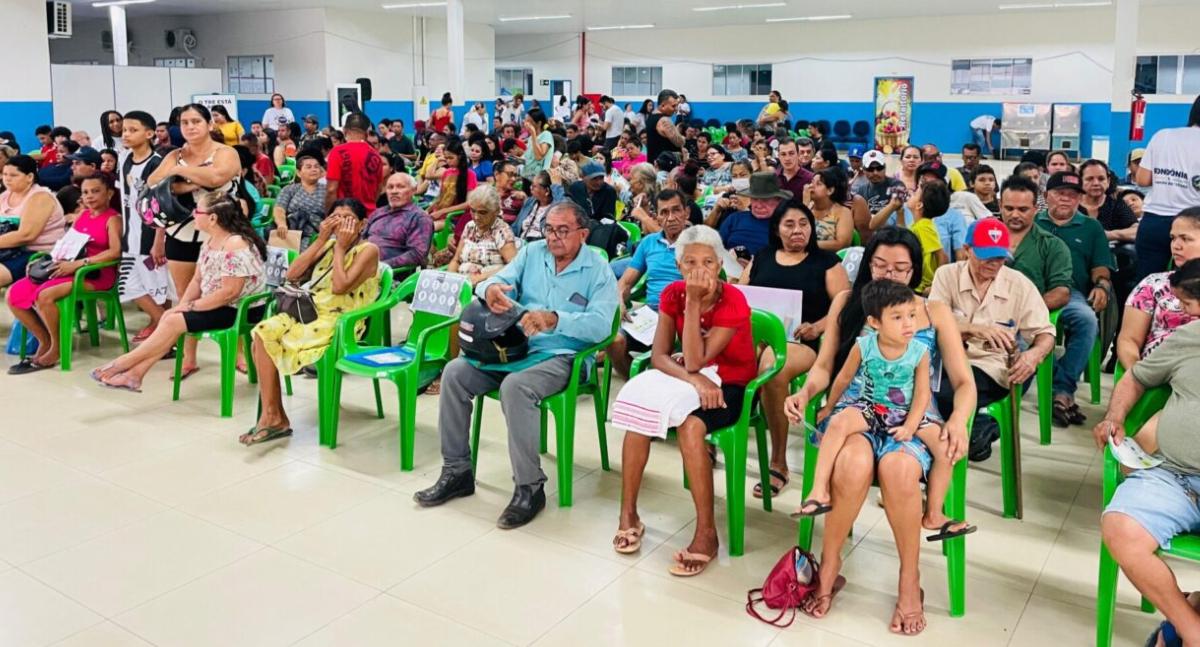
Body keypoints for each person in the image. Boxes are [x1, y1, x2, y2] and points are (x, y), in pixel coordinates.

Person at [783, 227, 977, 633]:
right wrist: (807, 393)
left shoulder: (934, 311)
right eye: (880, 265)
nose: (889, 275)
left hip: (913, 416)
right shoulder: (850, 303)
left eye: (901, 268)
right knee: (853, 462)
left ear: (916, 270)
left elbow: (963, 382)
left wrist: (958, 418)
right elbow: (825, 366)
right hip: (859, 409)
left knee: (899, 469)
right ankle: (831, 563)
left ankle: (910, 580)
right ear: (867, 262)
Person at [413, 201, 618, 529]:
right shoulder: (533, 253)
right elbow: (488, 284)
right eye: (549, 229)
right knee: (454, 373)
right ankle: (457, 471)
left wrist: (556, 320)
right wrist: (490, 288)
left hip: (562, 356)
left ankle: (529, 486)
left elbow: (602, 326)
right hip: (514, 348)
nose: (553, 238)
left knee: (516, 387)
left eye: (563, 231)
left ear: (583, 233)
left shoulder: (597, 269)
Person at [608, 223, 753, 576]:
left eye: (707, 262)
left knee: (691, 428)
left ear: (720, 265)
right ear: (678, 266)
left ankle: (707, 532)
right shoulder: (672, 294)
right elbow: (659, 356)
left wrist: (693, 309)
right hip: (692, 379)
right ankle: (628, 513)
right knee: (640, 417)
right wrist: (695, 378)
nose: (698, 270)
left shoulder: (733, 299)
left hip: (732, 382)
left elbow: (696, 358)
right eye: (689, 263)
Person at [794, 280, 973, 544]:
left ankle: (934, 512)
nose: (909, 324)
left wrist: (911, 426)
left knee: (947, 448)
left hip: (908, 412)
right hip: (871, 406)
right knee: (838, 424)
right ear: (875, 322)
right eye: (898, 318)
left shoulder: (920, 351)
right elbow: (843, 379)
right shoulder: (864, 345)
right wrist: (830, 407)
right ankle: (819, 490)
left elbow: (923, 394)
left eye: (912, 315)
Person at [1095, 295, 1200, 647]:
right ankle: (1191, 629)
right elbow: (1135, 378)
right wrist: (1114, 417)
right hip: (1174, 475)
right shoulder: (1190, 337)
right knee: (1122, 527)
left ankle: (1184, 618)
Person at [91, 192, 267, 392]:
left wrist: (192, 306)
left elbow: (230, 292)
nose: (193, 214)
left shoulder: (235, 244)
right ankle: (134, 375)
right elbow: (197, 280)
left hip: (241, 309)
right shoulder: (210, 241)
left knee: (173, 320)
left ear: (213, 218)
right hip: (218, 304)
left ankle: (122, 364)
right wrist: (184, 304)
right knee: (169, 316)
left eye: (197, 210)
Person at [242, 198, 381, 444]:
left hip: (341, 321)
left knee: (272, 339)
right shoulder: (326, 244)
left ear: (362, 224)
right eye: (335, 218)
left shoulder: (368, 250)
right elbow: (292, 274)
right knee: (262, 332)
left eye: (347, 219)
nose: (341, 225)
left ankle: (273, 417)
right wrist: (321, 240)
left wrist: (340, 248)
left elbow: (340, 287)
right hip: (310, 311)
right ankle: (274, 416)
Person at [739, 200, 849, 497]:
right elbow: (741, 294)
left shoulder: (826, 262)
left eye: (803, 224)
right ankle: (715, 435)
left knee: (773, 368)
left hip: (801, 340)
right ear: (777, 229)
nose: (797, 230)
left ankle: (778, 462)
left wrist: (817, 326)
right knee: (725, 358)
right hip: (756, 337)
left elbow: (844, 307)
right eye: (789, 224)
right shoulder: (762, 257)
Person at [929, 218, 1056, 460]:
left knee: (944, 395)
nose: (994, 263)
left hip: (991, 367)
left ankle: (967, 433)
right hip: (947, 359)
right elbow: (934, 321)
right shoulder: (947, 275)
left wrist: (1033, 355)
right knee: (922, 391)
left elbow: (1046, 332)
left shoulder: (1018, 284)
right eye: (986, 255)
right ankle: (980, 426)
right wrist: (972, 329)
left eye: (999, 257)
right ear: (967, 250)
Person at [144, 102, 242, 379]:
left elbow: (217, 177)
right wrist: (189, 178)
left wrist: (179, 173)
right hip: (181, 232)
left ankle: (239, 354)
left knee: (230, 294)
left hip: (223, 234)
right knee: (185, 295)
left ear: (209, 124)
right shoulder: (174, 154)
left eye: (196, 121)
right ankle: (189, 358)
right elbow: (154, 183)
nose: (190, 127)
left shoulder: (226, 152)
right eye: (185, 122)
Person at [6, 174, 121, 373]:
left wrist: (79, 264)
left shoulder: (113, 219)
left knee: (45, 295)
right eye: (85, 192)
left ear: (109, 193)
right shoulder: (82, 217)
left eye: (96, 191)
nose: (90, 196)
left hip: (95, 273)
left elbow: (115, 252)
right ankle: (45, 341)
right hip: (69, 268)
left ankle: (56, 349)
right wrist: (49, 260)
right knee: (15, 294)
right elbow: (68, 243)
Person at [1036, 170, 1115, 426]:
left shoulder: (1091, 227)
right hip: (1031, 294)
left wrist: (1102, 286)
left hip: (1072, 293)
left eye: (1072, 195)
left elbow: (1101, 266)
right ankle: (1060, 385)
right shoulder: (1033, 222)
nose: (1066, 199)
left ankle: (1062, 389)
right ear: (1047, 196)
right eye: (1060, 193)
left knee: (1087, 320)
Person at [609, 190, 689, 377]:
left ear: (687, 212)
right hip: (650, 313)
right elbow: (625, 282)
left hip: (682, 315)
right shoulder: (649, 243)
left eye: (676, 210)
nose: (671, 218)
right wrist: (619, 301)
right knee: (613, 341)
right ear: (657, 217)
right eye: (664, 212)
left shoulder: (699, 242)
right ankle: (636, 381)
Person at [1117, 207, 1200, 371]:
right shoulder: (1153, 284)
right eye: (1173, 238)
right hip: (1160, 368)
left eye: (1185, 239)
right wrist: (1137, 375)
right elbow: (1129, 339)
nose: (1176, 246)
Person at [116, 111, 173, 342]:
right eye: (124, 130)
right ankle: (165, 330)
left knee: (159, 288)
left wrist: (159, 241)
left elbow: (163, 206)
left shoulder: (157, 164)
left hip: (151, 238)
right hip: (130, 237)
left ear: (149, 134)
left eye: (133, 130)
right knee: (128, 286)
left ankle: (163, 333)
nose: (126, 134)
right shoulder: (124, 160)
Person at [1134, 95, 1200, 281]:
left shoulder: (1163, 136)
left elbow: (1143, 179)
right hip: (1193, 225)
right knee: (1191, 285)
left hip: (1154, 222)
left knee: (1147, 283)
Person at [1002, 175, 1073, 310]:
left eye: (1023, 209)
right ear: (1000, 206)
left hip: (1030, 319)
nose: (1015, 215)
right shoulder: (983, 239)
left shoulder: (1053, 246)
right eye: (1009, 209)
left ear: (1035, 209)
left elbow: (1061, 292)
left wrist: (1028, 311)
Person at [0, 155, 67, 288]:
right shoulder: (5, 196)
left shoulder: (40, 197)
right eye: (4, 174)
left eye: (13, 175)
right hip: (7, 251)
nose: (7, 179)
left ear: (30, 177)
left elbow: (26, 235)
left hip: (36, 255)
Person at [448, 184, 516, 284]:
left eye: (482, 212)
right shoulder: (470, 227)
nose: (476, 217)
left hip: (487, 288)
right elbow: (456, 260)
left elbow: (514, 266)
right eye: (473, 211)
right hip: (462, 284)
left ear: (496, 211)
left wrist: (481, 278)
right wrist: (451, 279)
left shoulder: (502, 232)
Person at [362, 172, 431, 270]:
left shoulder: (419, 218)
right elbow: (362, 237)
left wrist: (380, 266)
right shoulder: (378, 212)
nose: (394, 191)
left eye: (400, 187)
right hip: (362, 264)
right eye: (390, 187)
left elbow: (417, 254)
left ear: (414, 190)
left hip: (389, 273)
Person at [718, 172, 791, 262]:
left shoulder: (786, 225)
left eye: (765, 200)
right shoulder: (734, 219)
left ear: (778, 200)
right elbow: (716, 248)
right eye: (755, 199)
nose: (758, 205)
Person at [324, 112, 383, 214]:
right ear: (367, 132)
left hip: (344, 216)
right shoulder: (376, 155)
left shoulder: (337, 152)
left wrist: (329, 214)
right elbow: (378, 188)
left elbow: (331, 189)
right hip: (370, 216)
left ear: (344, 130)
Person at [274, 152, 328, 249]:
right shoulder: (289, 189)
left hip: (317, 232)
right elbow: (279, 209)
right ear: (299, 173)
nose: (314, 169)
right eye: (309, 167)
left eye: (316, 167)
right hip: (292, 230)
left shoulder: (327, 190)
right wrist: (282, 224)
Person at [1079, 159, 1138, 243]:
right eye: (1089, 179)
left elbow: (1137, 230)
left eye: (1101, 179)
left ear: (1108, 181)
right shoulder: (1072, 204)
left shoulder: (1115, 203)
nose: (1096, 183)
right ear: (1080, 181)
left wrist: (1110, 235)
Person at [908, 180, 951, 294]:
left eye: (915, 193)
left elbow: (942, 256)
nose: (911, 195)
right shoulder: (919, 225)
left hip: (921, 287)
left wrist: (936, 285)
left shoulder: (923, 227)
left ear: (919, 205)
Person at [806, 168, 854, 251]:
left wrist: (809, 244)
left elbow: (841, 244)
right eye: (812, 182)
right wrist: (804, 206)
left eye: (818, 184)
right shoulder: (807, 208)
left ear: (830, 190)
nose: (811, 186)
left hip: (829, 259)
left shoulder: (843, 212)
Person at [512, 169, 565, 243]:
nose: (530, 188)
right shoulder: (530, 202)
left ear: (546, 191)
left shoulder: (556, 207)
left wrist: (557, 187)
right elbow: (515, 227)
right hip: (520, 243)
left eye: (534, 186)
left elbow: (563, 206)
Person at [855, 149, 903, 216]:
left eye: (879, 168)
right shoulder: (861, 191)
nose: (875, 173)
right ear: (863, 170)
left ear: (885, 167)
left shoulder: (896, 186)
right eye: (870, 169)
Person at [646, 89, 684, 164]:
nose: (676, 109)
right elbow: (679, 142)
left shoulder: (650, 117)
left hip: (656, 163)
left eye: (677, 106)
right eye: (673, 106)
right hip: (665, 167)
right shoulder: (664, 120)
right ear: (663, 105)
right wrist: (681, 135)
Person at [520, 107, 554, 180]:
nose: (526, 124)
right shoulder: (530, 138)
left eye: (529, 122)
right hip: (527, 175)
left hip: (539, 178)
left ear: (539, 123)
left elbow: (539, 156)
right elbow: (530, 159)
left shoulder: (546, 135)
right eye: (525, 121)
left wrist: (533, 133)